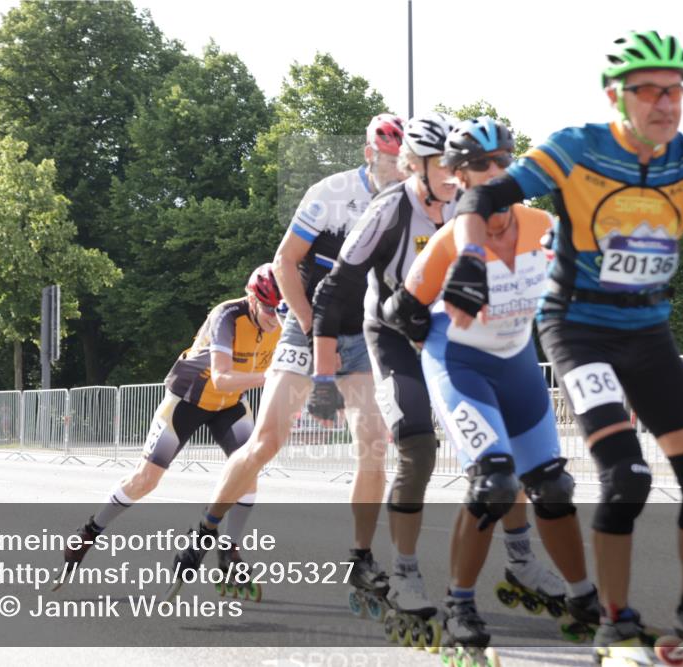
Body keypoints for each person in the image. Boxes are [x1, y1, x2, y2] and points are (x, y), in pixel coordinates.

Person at [444, 30, 683, 665]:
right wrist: (471, 258)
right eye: (650, 91)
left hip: (648, 333)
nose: (666, 104)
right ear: (617, 96)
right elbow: (483, 195)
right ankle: (615, 626)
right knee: (626, 476)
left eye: (676, 91)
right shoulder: (576, 148)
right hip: (579, 331)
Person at [311, 112, 566, 631]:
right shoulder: (389, 210)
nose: (454, 177)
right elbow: (335, 287)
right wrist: (322, 375)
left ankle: (520, 560)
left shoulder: (478, 199)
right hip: (393, 335)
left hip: (454, 334)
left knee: (505, 451)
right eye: (439, 167)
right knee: (417, 447)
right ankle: (404, 571)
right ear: (414, 165)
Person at [385, 117, 600, 652]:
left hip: (517, 362)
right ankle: (460, 604)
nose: (497, 171)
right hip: (460, 365)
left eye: (505, 160)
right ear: (458, 178)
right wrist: (422, 342)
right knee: (494, 484)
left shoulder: (541, 224)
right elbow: (400, 310)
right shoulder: (446, 242)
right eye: (482, 165)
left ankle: (583, 596)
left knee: (551, 485)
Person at [170, 114, 407, 593]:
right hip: (305, 326)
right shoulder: (331, 193)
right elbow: (284, 262)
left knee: (374, 447)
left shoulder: (409, 202)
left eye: (403, 164)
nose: (396, 172)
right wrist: (309, 327)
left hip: (360, 335)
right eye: (387, 162)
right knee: (267, 442)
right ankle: (205, 530)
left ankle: (360, 558)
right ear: (368, 155)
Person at [57, 264, 283, 591]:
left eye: (281, 309)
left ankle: (230, 550)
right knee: (145, 480)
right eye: (268, 309)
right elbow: (221, 377)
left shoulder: (285, 320)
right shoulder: (227, 317)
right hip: (188, 401)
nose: (275, 318)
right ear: (251, 298)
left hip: (229, 405)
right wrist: (272, 377)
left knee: (250, 467)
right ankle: (90, 530)